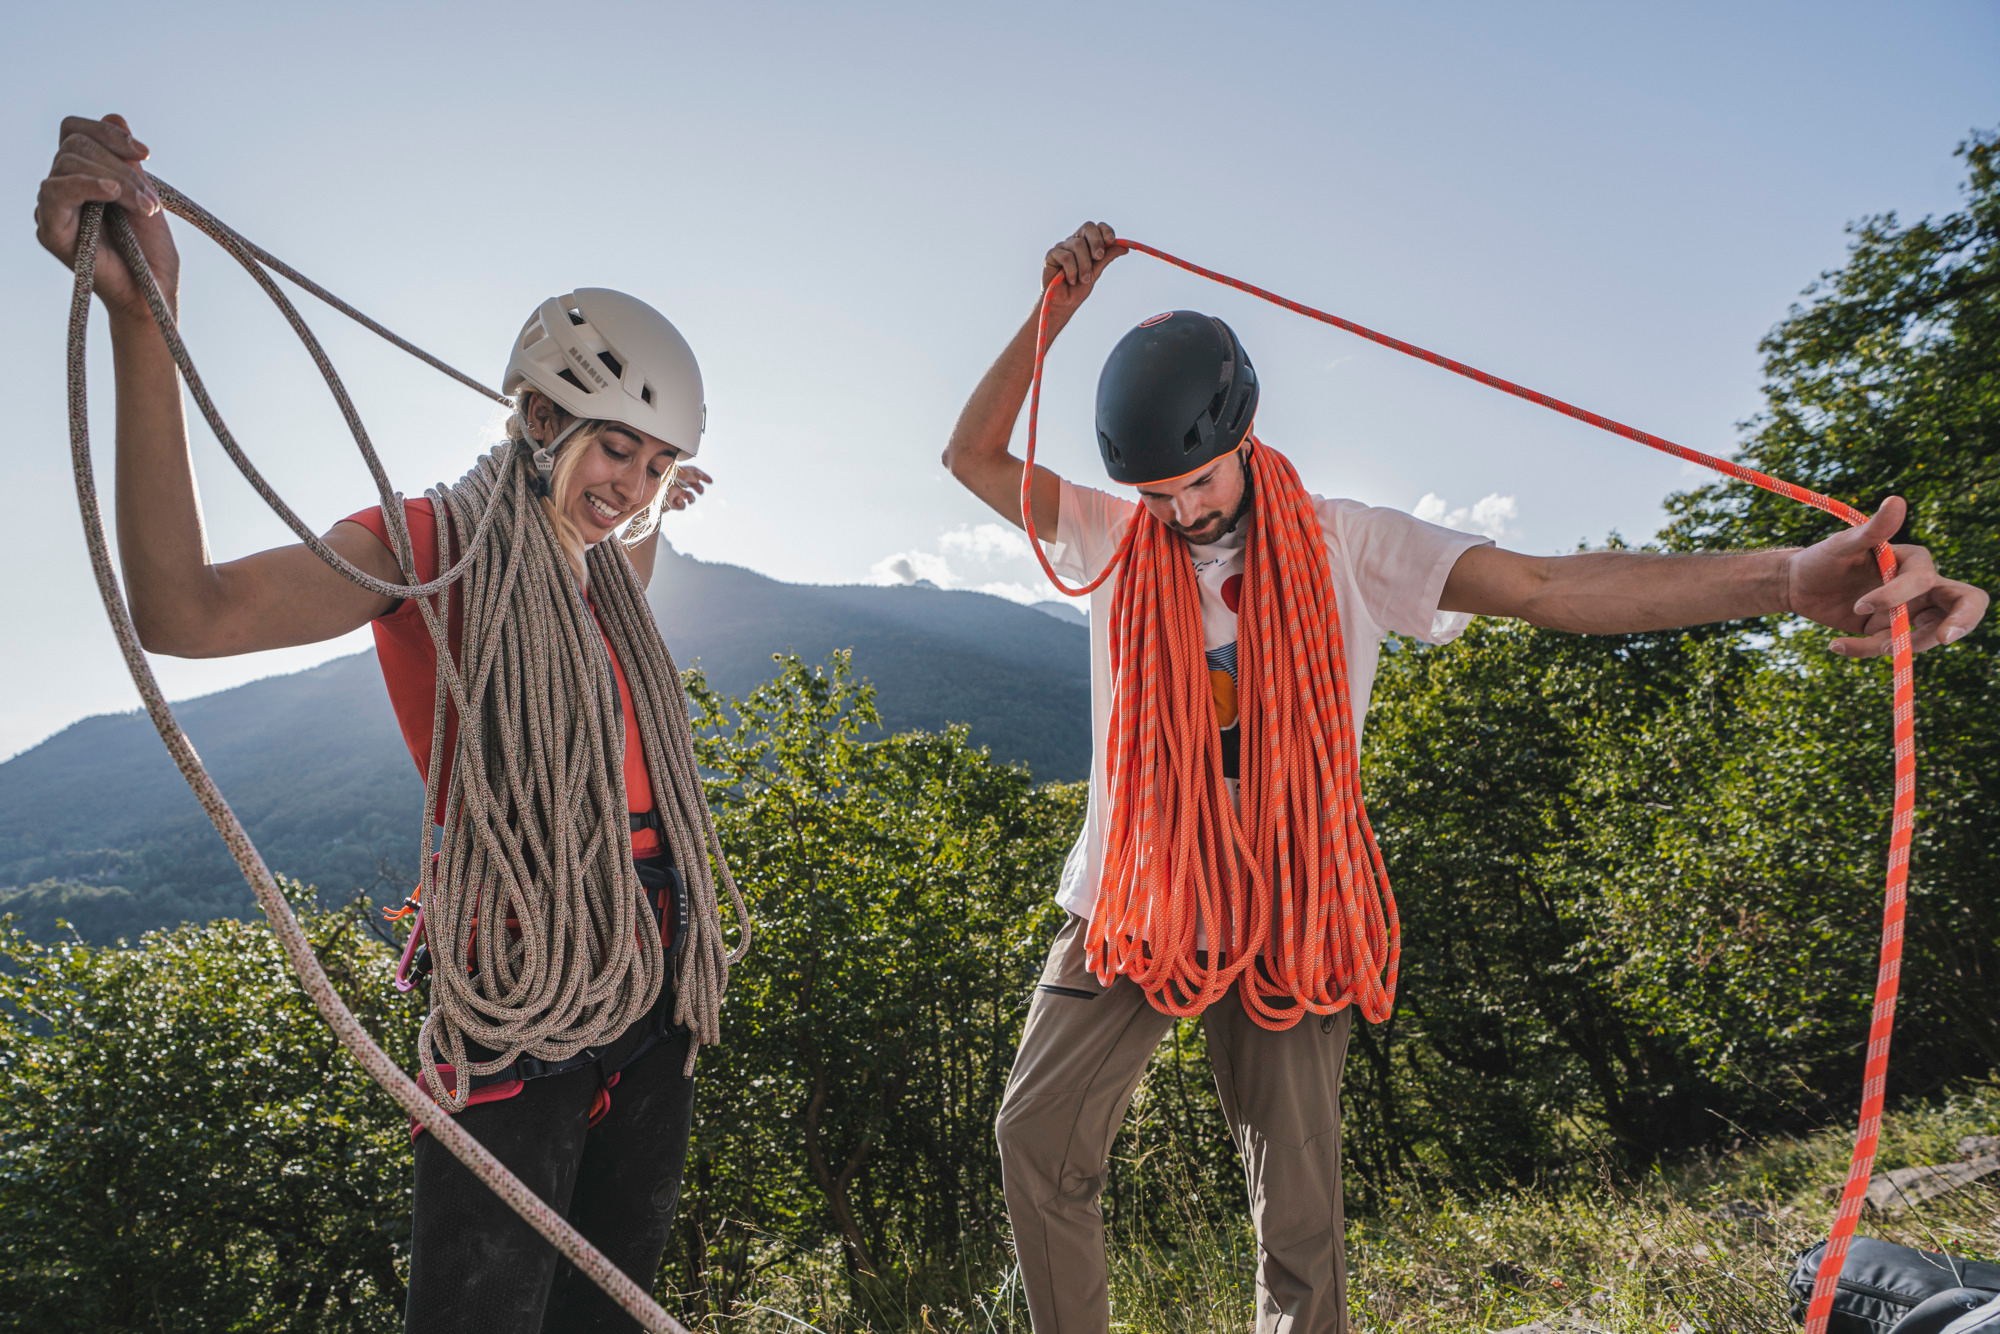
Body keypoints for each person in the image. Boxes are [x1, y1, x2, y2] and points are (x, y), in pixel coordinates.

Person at [943, 221, 1991, 1334]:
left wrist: (1783, 578)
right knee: (1034, 1134)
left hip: (1294, 904)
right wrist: (1050, 313)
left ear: (1242, 434)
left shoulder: (1348, 542)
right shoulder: (1113, 532)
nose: (1178, 512)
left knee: (1294, 1204)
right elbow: (973, 459)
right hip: (1134, 895)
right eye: (1154, 492)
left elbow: (1547, 585)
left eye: (1194, 481)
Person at [36, 114, 741, 1334]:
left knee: (611, 1316)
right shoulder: (433, 545)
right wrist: (143, 320)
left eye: (655, 460)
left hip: (655, 979)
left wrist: (647, 505)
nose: (626, 482)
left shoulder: (600, 572)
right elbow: (186, 609)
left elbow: (618, 558)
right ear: (535, 415)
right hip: (519, 984)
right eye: (610, 446)